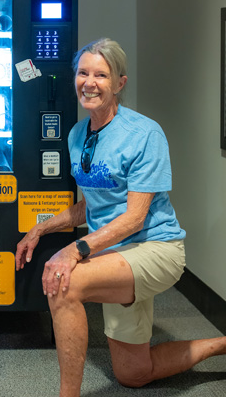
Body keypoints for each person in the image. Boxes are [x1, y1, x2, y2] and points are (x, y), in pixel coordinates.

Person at [15, 38, 226, 396]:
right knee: (134, 373)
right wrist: (41, 228)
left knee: (64, 282)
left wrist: (74, 249)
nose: (89, 82)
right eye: (83, 73)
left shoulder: (144, 133)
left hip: (155, 248)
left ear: (119, 84)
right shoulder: (77, 135)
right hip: (113, 254)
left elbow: (134, 218)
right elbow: (90, 205)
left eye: (101, 74)